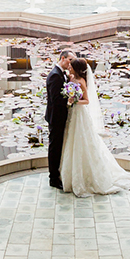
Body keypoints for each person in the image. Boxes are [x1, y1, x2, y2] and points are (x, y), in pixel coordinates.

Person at [60, 58, 130, 197]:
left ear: (76, 68)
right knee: (71, 140)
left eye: (71, 66)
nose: (69, 67)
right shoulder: (72, 78)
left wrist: (75, 100)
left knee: (83, 140)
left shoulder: (81, 82)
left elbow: (87, 101)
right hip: (72, 115)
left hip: (80, 114)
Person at [45, 50, 75, 189]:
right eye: (69, 59)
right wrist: (69, 101)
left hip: (60, 116)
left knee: (58, 146)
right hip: (56, 117)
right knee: (55, 147)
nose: (71, 62)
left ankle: (57, 174)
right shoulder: (55, 76)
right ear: (62, 58)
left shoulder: (61, 74)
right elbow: (55, 99)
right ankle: (53, 178)